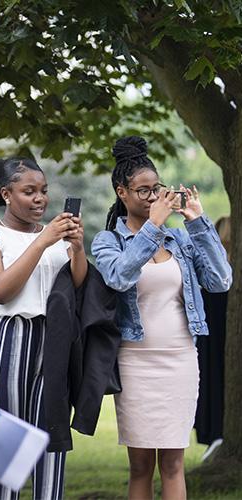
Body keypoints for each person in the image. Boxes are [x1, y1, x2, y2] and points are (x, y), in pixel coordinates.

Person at [91, 136, 232, 500]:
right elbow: (120, 276)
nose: (154, 198)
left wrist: (199, 223)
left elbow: (220, 281)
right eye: (143, 191)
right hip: (136, 363)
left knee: (173, 464)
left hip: (181, 361)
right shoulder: (108, 241)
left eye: (157, 189)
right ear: (122, 192)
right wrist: (152, 227)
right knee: (140, 466)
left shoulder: (180, 239)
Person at [0, 157, 87, 500]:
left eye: (44, 191)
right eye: (29, 191)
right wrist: (43, 241)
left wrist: (76, 248)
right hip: (9, 338)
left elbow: (78, 286)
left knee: (51, 438)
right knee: (3, 447)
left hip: (54, 341)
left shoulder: (54, 237)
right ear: (6, 194)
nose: (40, 199)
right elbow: (0, 290)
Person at [194, 215, 230, 457]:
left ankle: (215, 432)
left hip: (211, 340)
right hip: (215, 336)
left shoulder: (214, 276)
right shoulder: (217, 276)